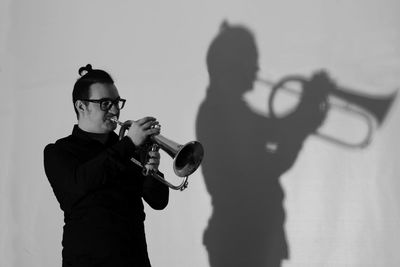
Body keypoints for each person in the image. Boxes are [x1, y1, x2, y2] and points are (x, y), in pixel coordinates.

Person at [196, 22, 333, 267]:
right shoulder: (221, 113)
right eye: (252, 60)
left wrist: (306, 111)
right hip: (244, 239)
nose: (257, 68)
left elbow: (275, 132)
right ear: (234, 65)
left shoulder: (225, 109)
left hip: (247, 236)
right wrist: (306, 113)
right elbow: (269, 165)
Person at [43, 64, 169, 267]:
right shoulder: (59, 152)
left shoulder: (127, 148)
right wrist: (128, 144)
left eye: (117, 102)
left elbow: (159, 201)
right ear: (81, 106)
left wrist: (151, 171)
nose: (115, 110)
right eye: (105, 103)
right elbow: (79, 185)